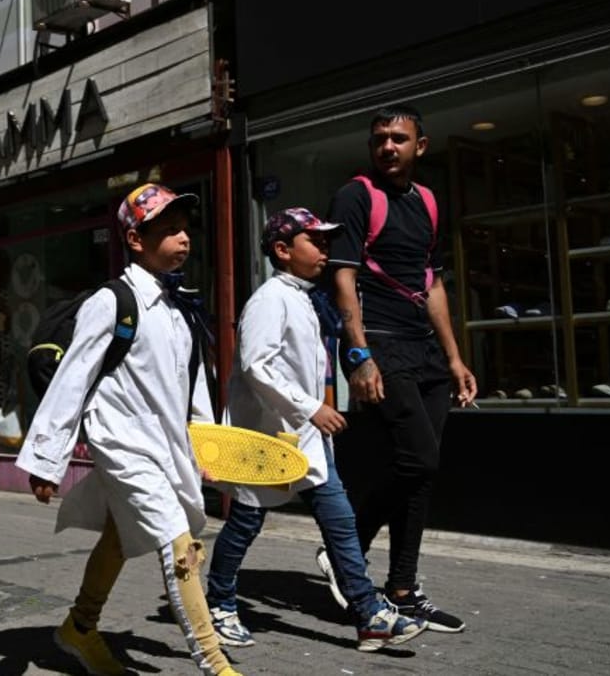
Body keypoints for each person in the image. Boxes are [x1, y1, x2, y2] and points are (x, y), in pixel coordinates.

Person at [16, 183, 240, 676]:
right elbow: (72, 380)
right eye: (168, 230)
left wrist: (209, 444)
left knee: (119, 536)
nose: (183, 239)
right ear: (136, 240)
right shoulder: (112, 301)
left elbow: (192, 386)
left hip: (165, 445)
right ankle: (214, 662)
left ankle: (79, 627)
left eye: (185, 229)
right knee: (178, 544)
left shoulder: (182, 308)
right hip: (122, 443)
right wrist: (44, 460)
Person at [204, 207, 425, 652]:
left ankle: (369, 616)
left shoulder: (304, 297)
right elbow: (255, 366)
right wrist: (311, 409)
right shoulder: (269, 300)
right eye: (315, 241)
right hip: (265, 437)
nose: (325, 249)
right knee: (246, 522)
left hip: (304, 438)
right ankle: (219, 602)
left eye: (326, 241)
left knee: (340, 523)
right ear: (283, 251)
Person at [326, 104, 478, 633]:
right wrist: (359, 354)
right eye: (380, 139)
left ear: (421, 145)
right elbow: (343, 279)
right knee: (419, 460)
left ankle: (403, 589)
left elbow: (431, 284)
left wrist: (455, 357)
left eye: (398, 138)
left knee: (422, 475)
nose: (388, 146)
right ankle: (348, 547)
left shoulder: (428, 202)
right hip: (382, 345)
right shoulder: (356, 196)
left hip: (425, 350)